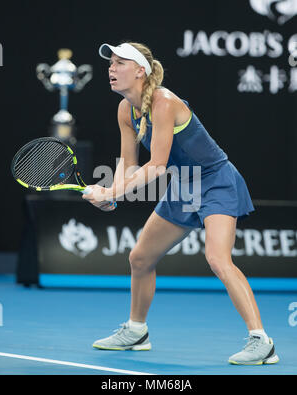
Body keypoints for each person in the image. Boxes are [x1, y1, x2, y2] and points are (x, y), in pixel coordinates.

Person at [82, 41, 279, 365]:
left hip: (216, 182)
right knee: (140, 257)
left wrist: (112, 193)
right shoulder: (125, 110)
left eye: (120, 63)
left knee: (217, 259)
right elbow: (129, 165)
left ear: (140, 71)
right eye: (111, 63)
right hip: (183, 187)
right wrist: (110, 194)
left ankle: (262, 342)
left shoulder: (165, 103)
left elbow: (157, 165)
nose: (111, 69)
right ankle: (136, 330)